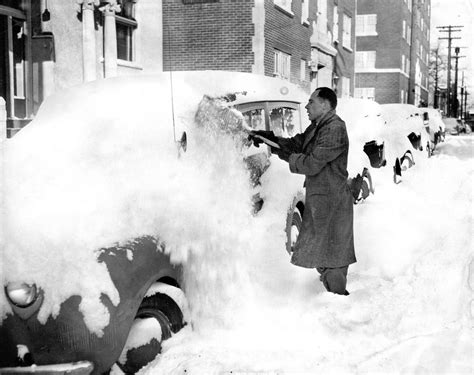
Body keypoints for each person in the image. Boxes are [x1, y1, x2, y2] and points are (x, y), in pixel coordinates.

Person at [249, 87, 356, 295]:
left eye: (311, 102)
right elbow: (296, 145)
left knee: (334, 258)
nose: (307, 106)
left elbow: (312, 163)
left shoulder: (334, 129)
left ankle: (338, 304)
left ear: (325, 105)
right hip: (322, 200)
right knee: (323, 252)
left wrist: (291, 158)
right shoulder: (318, 126)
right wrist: (268, 139)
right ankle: (329, 298)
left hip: (333, 203)